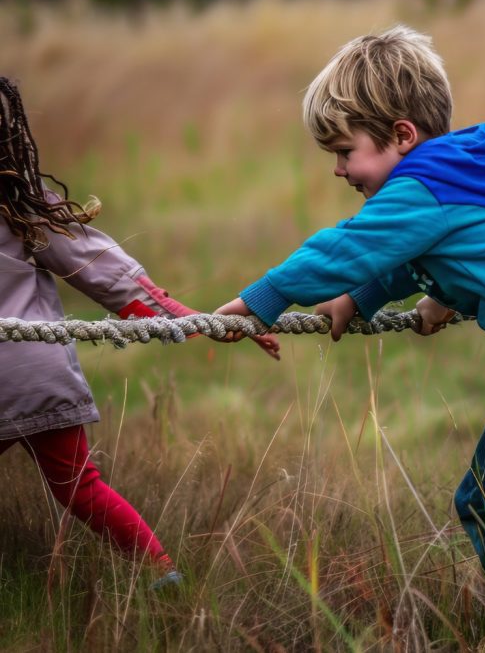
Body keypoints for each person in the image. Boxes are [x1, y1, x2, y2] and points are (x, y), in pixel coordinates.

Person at [214, 25, 485, 645]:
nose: (338, 170)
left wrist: (264, 300)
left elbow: (351, 247)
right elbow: (460, 252)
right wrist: (377, 297)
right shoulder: (462, 173)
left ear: (402, 136)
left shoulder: (423, 186)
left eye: (345, 151)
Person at [0, 77, 277, 591]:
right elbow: (96, 267)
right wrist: (184, 316)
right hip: (35, 369)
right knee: (81, 487)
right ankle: (161, 571)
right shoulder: (16, 199)